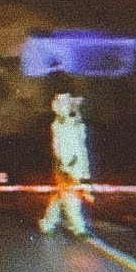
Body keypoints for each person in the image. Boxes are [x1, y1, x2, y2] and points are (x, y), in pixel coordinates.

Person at [39, 93, 93, 238]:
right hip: (67, 167)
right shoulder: (60, 125)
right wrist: (65, 167)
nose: (73, 107)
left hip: (78, 166)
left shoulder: (75, 123)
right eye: (69, 105)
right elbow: (59, 148)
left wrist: (84, 170)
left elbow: (81, 146)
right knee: (71, 198)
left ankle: (47, 224)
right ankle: (79, 229)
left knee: (60, 197)